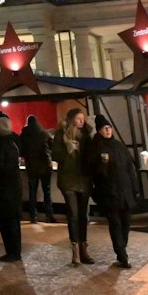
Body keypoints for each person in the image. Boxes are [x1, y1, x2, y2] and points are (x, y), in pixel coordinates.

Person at [84, 115, 140, 268]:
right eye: (104, 128)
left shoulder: (119, 146)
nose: (107, 130)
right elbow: (91, 170)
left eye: (109, 127)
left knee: (126, 224)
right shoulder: (95, 147)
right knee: (115, 223)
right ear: (99, 130)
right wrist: (102, 166)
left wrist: (135, 188)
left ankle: (122, 250)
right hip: (109, 192)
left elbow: (130, 168)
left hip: (125, 191)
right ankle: (122, 254)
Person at [53, 107, 93, 264]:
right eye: (78, 119)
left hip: (84, 180)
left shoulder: (87, 136)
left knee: (83, 215)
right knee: (73, 215)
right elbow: (55, 155)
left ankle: (84, 248)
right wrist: (67, 151)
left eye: (83, 119)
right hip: (68, 180)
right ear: (71, 120)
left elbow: (91, 156)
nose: (82, 121)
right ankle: (75, 251)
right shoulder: (60, 135)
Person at [0, 111, 24, 262]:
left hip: (3, 189)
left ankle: (12, 251)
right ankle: (15, 250)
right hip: (14, 186)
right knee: (13, 221)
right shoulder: (13, 141)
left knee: (6, 222)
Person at [18, 116, 53, 224]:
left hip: (31, 167)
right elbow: (52, 147)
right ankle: (49, 215)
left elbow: (21, 150)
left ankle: (33, 216)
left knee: (32, 192)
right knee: (47, 192)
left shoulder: (24, 135)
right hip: (45, 166)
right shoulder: (44, 133)